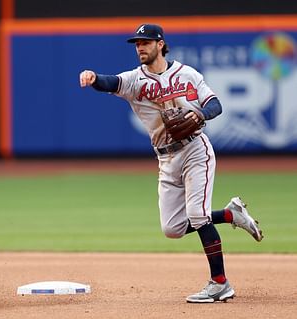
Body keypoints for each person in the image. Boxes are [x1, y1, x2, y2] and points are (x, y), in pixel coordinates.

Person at [79, 24, 263, 303]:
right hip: (165, 158)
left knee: (198, 215)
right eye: (137, 43)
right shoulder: (134, 80)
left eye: (145, 42)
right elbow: (110, 82)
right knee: (173, 228)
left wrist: (200, 114)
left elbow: (215, 104)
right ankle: (229, 214)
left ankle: (220, 283)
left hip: (195, 150)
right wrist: (93, 78)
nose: (140, 47)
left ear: (161, 44)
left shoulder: (187, 74)